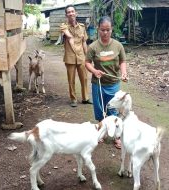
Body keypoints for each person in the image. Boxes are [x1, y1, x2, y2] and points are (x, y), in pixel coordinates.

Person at [85, 16, 128, 149]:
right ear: (98, 29)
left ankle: (117, 136)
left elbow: (122, 61)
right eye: (103, 30)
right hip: (98, 84)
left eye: (108, 30)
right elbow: (87, 63)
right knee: (99, 110)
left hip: (113, 83)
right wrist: (94, 71)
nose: (105, 33)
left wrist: (124, 72)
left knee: (113, 110)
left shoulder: (118, 45)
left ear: (111, 29)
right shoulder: (93, 47)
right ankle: (101, 132)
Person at [60, 4, 92, 107]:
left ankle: (85, 98)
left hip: (81, 57)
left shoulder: (82, 27)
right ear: (66, 15)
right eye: (68, 12)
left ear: (76, 13)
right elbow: (68, 36)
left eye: (72, 11)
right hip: (70, 57)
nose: (71, 13)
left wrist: (87, 57)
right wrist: (69, 36)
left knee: (84, 78)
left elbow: (84, 43)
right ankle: (73, 99)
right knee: (71, 80)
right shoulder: (64, 26)